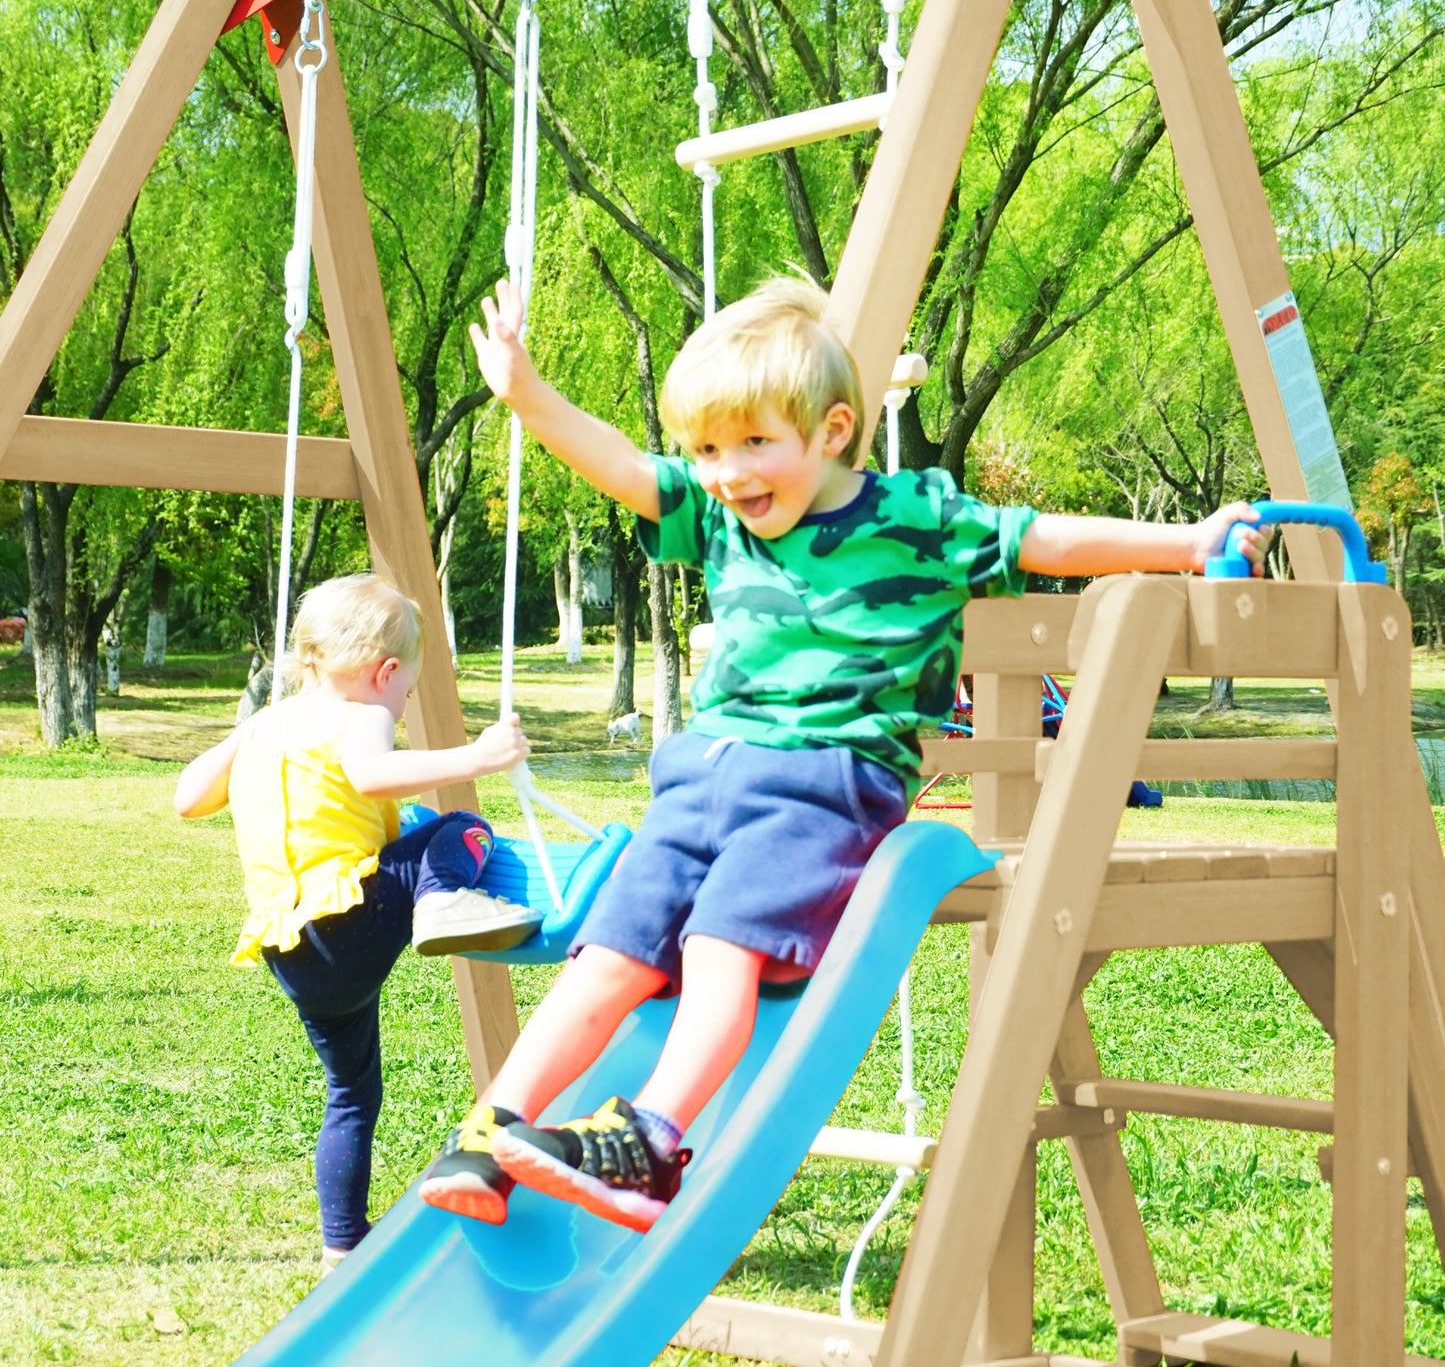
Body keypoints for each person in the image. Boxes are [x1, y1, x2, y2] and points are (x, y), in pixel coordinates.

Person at [420, 277, 1272, 1234]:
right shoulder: (716, 518)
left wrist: (1188, 544)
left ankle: (651, 1140)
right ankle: (495, 1129)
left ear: (829, 431)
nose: (726, 473)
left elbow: (1048, 538)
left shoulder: (915, 518)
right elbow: (619, 464)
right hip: (698, 775)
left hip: (823, 783)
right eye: (706, 448)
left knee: (715, 949)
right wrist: (526, 394)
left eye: (751, 444)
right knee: (606, 955)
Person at [174, 573, 537, 1269]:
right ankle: (440, 900)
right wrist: (477, 756)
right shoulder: (363, 711)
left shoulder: (268, 722)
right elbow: (371, 775)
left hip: (292, 949)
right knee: (459, 826)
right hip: (351, 917)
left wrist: (246, 733)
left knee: (351, 1091)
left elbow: (189, 797)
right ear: (386, 671)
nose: (398, 706)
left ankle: (342, 1242)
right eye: (404, 693)